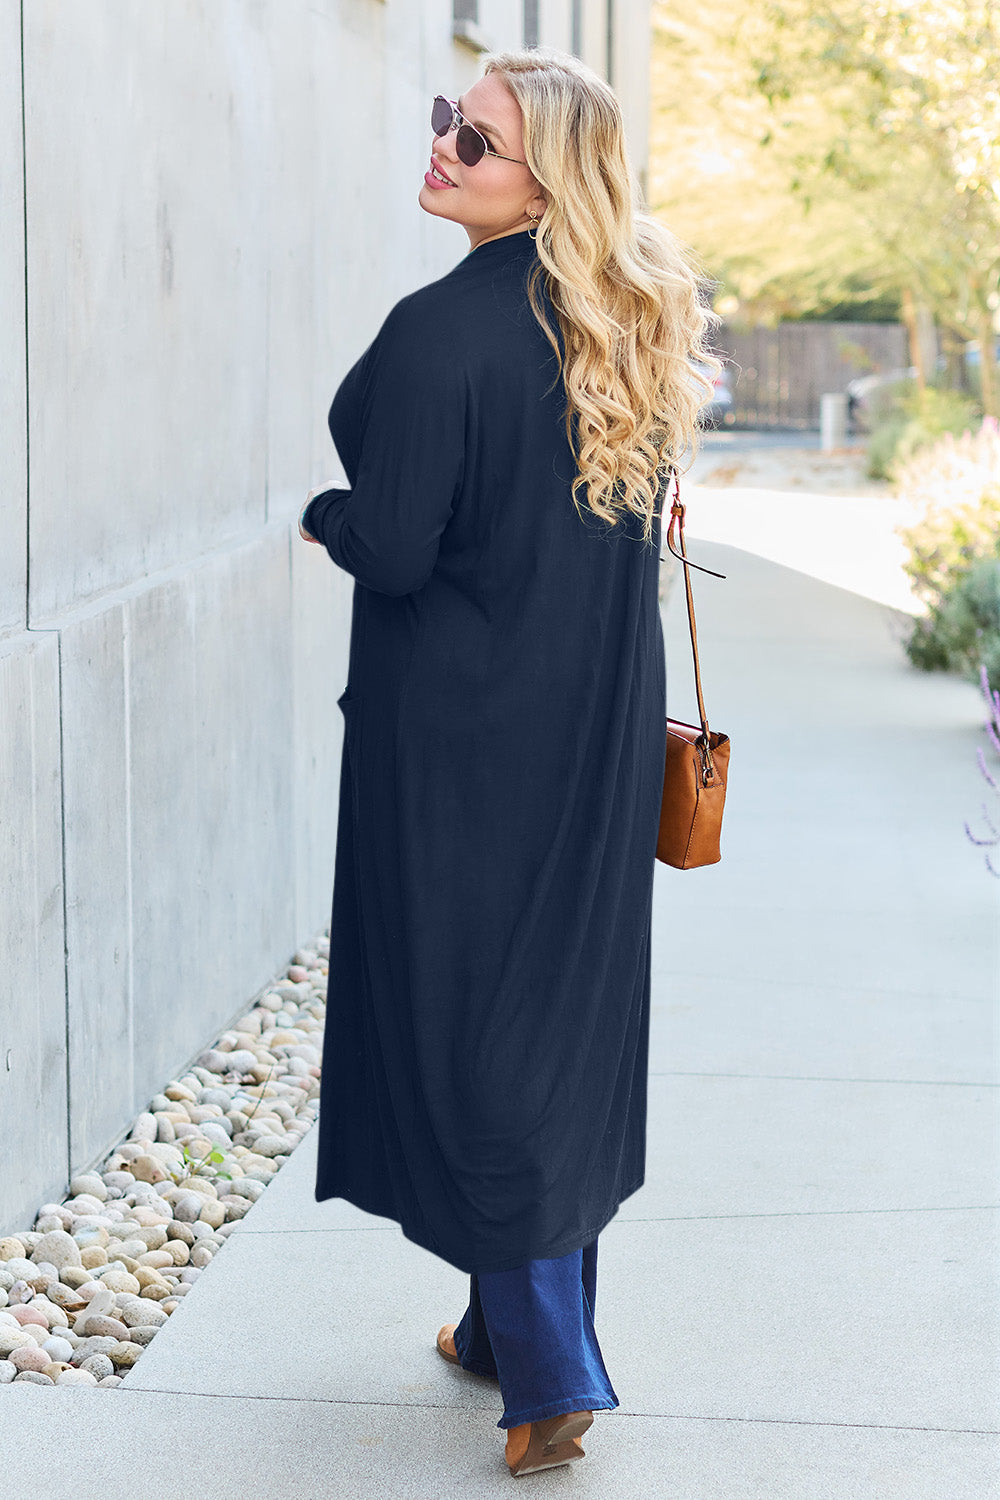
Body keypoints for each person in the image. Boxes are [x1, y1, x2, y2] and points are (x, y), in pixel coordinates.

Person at [299, 45, 717, 1478]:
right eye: (445, 123)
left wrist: (324, 518)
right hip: (591, 731)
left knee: (474, 1030)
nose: (442, 150)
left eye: (473, 141)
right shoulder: (626, 322)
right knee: (554, 1018)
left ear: (548, 179)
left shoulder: (442, 331)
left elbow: (400, 544)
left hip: (464, 743)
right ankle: (498, 1328)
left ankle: (547, 1373)